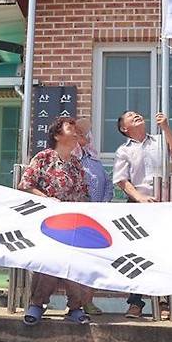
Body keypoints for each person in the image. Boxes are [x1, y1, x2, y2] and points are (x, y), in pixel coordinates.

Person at [18, 116, 93, 326]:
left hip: (73, 222)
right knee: (48, 262)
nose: (76, 131)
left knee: (73, 263)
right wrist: (47, 199)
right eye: (70, 127)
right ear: (57, 135)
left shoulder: (77, 164)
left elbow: (84, 193)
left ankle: (75, 307)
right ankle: (37, 304)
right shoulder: (43, 158)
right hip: (47, 221)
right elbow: (25, 185)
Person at [112, 110, 172, 319]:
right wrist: (140, 198)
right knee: (137, 254)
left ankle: (164, 301)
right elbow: (121, 180)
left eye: (137, 114)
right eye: (130, 116)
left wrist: (166, 127)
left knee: (163, 253)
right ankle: (135, 302)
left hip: (164, 202)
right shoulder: (124, 151)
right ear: (124, 128)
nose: (136, 115)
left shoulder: (160, 140)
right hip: (138, 205)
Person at [74, 118, 113, 316]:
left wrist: (103, 206)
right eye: (80, 133)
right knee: (74, 262)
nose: (85, 136)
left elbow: (108, 184)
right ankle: (73, 302)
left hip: (96, 218)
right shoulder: (70, 159)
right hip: (75, 218)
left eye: (86, 133)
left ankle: (88, 300)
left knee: (92, 262)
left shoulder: (94, 159)